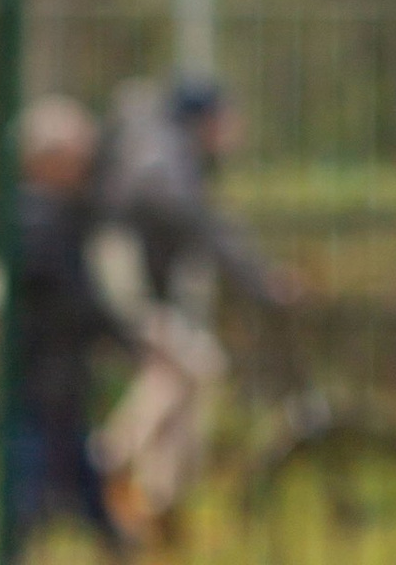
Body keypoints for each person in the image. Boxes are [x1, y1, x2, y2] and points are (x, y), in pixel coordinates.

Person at [92, 79, 293, 540]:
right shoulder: (164, 155)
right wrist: (259, 279)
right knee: (194, 365)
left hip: (134, 279)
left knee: (184, 372)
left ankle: (154, 496)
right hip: (125, 279)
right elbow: (200, 221)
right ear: (207, 119)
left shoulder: (168, 151)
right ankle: (112, 461)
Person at [7, 95, 142, 551]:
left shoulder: (47, 213)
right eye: (79, 155)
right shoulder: (39, 219)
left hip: (56, 377)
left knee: (76, 485)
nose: (88, 165)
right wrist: (123, 337)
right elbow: (74, 297)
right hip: (45, 377)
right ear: (48, 160)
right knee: (33, 494)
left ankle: (115, 542)